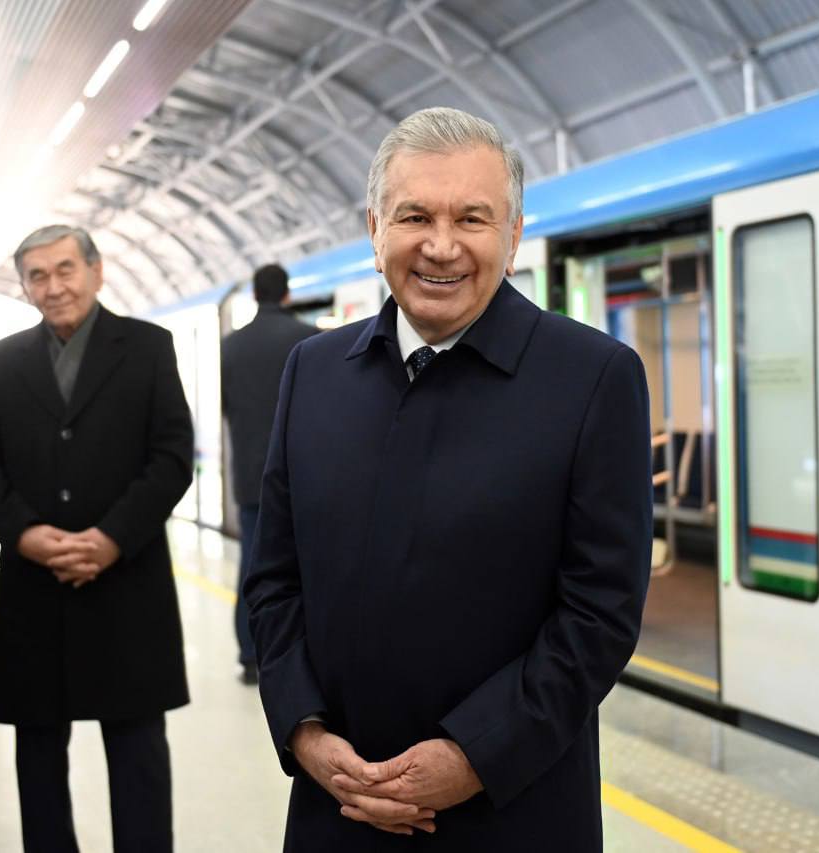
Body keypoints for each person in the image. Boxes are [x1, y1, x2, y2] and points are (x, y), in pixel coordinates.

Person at [244, 107, 652, 852]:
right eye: (414, 216)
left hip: (514, 813)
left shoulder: (593, 378)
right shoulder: (314, 373)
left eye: (472, 218)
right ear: (375, 231)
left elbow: (601, 613)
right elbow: (274, 578)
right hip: (337, 812)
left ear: (514, 235)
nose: (441, 245)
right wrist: (304, 731)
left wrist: (474, 756)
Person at [0, 224, 193, 853]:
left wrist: (112, 537)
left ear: (96, 271)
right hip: (35, 587)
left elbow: (172, 455)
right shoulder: (0, 361)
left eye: (65, 269)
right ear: (24, 287)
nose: (53, 286)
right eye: (37, 276)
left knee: (138, 752)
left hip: (127, 582)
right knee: (38, 757)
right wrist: (24, 534)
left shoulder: (147, 348)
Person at [220, 263, 317, 685]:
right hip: (304, 477)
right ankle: (300, 653)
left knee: (252, 567)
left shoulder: (230, 347)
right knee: (308, 567)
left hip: (250, 477)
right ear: (287, 295)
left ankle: (250, 655)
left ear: (254, 295)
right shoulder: (310, 340)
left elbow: (226, 408)